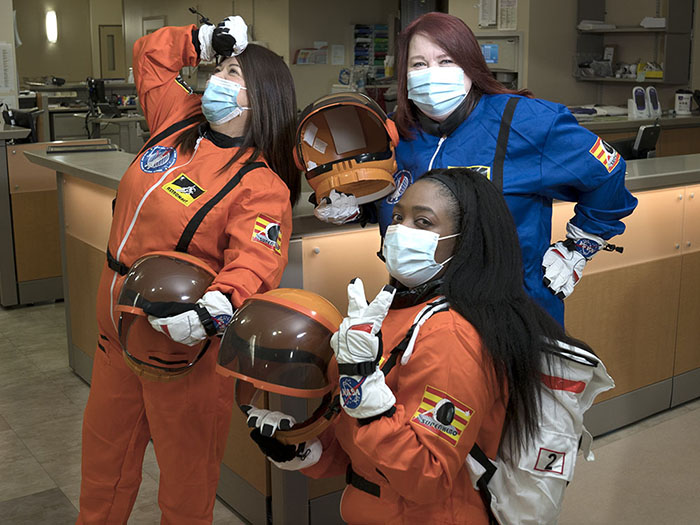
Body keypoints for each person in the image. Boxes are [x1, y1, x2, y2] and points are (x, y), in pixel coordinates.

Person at [246, 168, 602, 524]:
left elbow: (426, 474)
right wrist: (311, 452)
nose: (401, 231)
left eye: (423, 221)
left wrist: (364, 391)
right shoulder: (400, 308)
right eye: (398, 217)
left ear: (465, 241)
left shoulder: (451, 335)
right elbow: (369, 449)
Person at [77, 15, 299, 524]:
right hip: (114, 337)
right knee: (102, 474)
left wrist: (214, 308)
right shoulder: (178, 119)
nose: (219, 79)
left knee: (185, 489)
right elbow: (149, 57)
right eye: (221, 69)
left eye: (235, 74)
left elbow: (257, 261)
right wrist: (201, 39)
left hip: (183, 355)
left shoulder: (260, 184)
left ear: (261, 98)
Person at [315, 12, 638, 326]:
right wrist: (357, 207)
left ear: (470, 66)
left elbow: (607, 171)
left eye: (446, 61)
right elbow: (393, 203)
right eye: (418, 64)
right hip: (419, 309)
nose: (431, 73)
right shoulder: (396, 134)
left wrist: (579, 245)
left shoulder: (526, 121)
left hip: (510, 312)